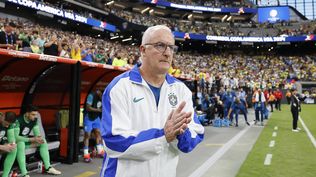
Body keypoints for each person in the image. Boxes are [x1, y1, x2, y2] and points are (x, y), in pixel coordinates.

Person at [100, 25, 204, 177]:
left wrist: (181, 132)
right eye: (160, 45)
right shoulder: (120, 87)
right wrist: (163, 135)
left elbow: (196, 134)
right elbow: (113, 141)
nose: (167, 53)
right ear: (143, 50)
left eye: (171, 47)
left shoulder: (181, 90)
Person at [15, 105, 61, 177]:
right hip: (16, 142)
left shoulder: (34, 120)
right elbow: (16, 137)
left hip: (26, 140)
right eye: (33, 114)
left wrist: (39, 138)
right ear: (27, 113)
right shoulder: (18, 120)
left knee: (43, 141)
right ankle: (24, 173)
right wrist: (31, 139)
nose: (35, 116)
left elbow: (37, 133)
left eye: (36, 115)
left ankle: (48, 167)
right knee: (21, 144)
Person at [83, 89, 104, 163]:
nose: (102, 98)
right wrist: (98, 110)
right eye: (102, 96)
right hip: (88, 117)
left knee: (98, 133)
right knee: (87, 135)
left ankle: (100, 151)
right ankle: (86, 155)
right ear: (99, 92)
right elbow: (88, 107)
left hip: (96, 118)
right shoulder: (91, 96)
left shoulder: (103, 97)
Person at [0, 112, 17, 177]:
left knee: (13, 149)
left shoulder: (5, 124)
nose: (7, 126)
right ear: (3, 117)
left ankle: (5, 175)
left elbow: (2, 137)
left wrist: (7, 144)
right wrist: (3, 147)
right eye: (6, 124)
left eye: (9, 125)